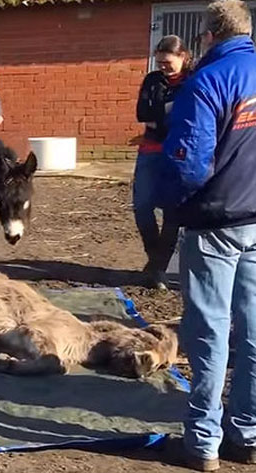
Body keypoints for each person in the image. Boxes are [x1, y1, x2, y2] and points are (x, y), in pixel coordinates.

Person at [160, 1, 256, 471]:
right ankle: (249, 432)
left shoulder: (207, 81)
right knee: (255, 328)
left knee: (209, 329)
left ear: (209, 35)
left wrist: (178, 201)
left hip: (215, 220)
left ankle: (203, 441)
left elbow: (188, 162)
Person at [133, 35, 193, 290]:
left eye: (168, 62)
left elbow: (191, 116)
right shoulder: (152, 80)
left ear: (183, 57)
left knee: (172, 211)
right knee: (141, 205)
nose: (163, 67)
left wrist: (162, 119)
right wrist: (167, 118)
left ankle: (158, 268)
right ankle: (155, 256)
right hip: (150, 149)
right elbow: (142, 113)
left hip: (177, 153)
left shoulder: (193, 81)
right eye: (159, 63)